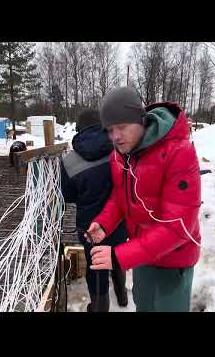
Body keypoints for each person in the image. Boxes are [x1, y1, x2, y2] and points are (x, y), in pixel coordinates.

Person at [86, 87, 202, 312]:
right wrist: (103, 223)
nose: (115, 137)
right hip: (141, 254)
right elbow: (120, 198)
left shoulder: (179, 151)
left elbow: (178, 227)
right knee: (144, 305)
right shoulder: (120, 155)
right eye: (110, 130)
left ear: (141, 121)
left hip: (174, 259)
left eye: (121, 127)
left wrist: (119, 257)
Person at [61, 109, 128, 312]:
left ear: (79, 130)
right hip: (118, 223)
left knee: (97, 268)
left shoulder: (69, 160)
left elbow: (68, 195)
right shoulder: (119, 148)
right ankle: (122, 296)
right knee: (118, 256)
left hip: (90, 227)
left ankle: (99, 307)